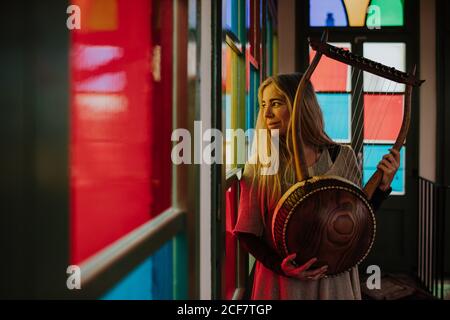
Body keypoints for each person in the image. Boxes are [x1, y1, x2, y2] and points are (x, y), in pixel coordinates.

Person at [233, 73, 400, 300]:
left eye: (276, 103)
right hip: (283, 284)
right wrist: (282, 266)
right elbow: (246, 232)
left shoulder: (341, 156)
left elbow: (356, 220)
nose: (267, 113)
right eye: (263, 105)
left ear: (301, 106)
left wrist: (382, 187)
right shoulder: (261, 164)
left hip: (334, 282)